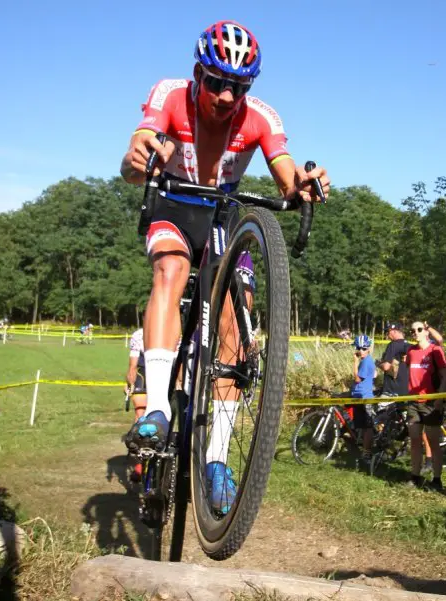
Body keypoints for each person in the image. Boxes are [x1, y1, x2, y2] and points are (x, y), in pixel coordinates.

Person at [119, 21, 330, 512]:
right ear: (198, 73)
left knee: (237, 312)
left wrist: (302, 185)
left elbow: (285, 174)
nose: (225, 95)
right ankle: (155, 411)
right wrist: (136, 160)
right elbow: (135, 157)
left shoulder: (260, 117)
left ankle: (217, 459)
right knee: (170, 268)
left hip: (221, 212)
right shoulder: (170, 95)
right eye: (216, 82)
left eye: (238, 86)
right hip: (173, 204)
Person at [405, 321, 446, 490]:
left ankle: (437, 480)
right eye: (412, 330)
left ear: (426, 332)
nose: (415, 332)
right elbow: (408, 371)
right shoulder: (411, 351)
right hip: (413, 402)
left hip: (431, 403)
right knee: (415, 440)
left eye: (419, 329)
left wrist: (439, 398)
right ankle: (415, 476)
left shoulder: (435, 350)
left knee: (433, 442)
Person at [350, 335, 376, 465]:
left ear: (368, 349)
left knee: (367, 427)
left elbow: (357, 379)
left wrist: (355, 362)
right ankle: (362, 448)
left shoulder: (367, 362)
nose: (360, 350)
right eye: (358, 348)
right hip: (358, 396)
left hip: (365, 397)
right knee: (360, 425)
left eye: (363, 348)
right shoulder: (364, 361)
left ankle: (367, 452)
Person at [126, 328, 147, 481]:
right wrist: (130, 381)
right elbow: (133, 365)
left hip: (169, 371)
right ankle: (139, 464)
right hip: (144, 373)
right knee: (140, 413)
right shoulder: (139, 334)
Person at [377, 323, 410, 399]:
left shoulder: (393, 345)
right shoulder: (409, 345)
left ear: (395, 331)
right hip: (406, 390)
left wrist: (378, 363)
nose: (387, 335)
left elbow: (386, 367)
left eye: (388, 332)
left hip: (391, 390)